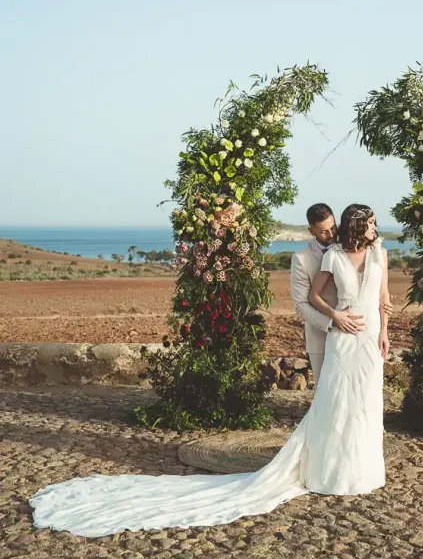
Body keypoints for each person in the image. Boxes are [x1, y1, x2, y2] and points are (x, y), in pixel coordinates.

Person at [29, 204, 392, 537]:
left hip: (371, 339)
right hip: (340, 338)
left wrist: (385, 333)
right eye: (371, 223)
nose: (375, 228)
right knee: (333, 405)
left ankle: (362, 469)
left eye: (372, 223)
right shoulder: (324, 258)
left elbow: (384, 300)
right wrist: (336, 317)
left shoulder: (381, 254)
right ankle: (331, 470)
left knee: (365, 404)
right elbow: (310, 299)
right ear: (354, 226)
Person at [290, 202, 368, 385]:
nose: (332, 234)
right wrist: (333, 321)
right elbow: (301, 306)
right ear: (311, 231)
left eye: (333, 227)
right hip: (321, 337)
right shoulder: (301, 259)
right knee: (325, 392)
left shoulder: (350, 246)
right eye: (324, 231)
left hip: (355, 333)